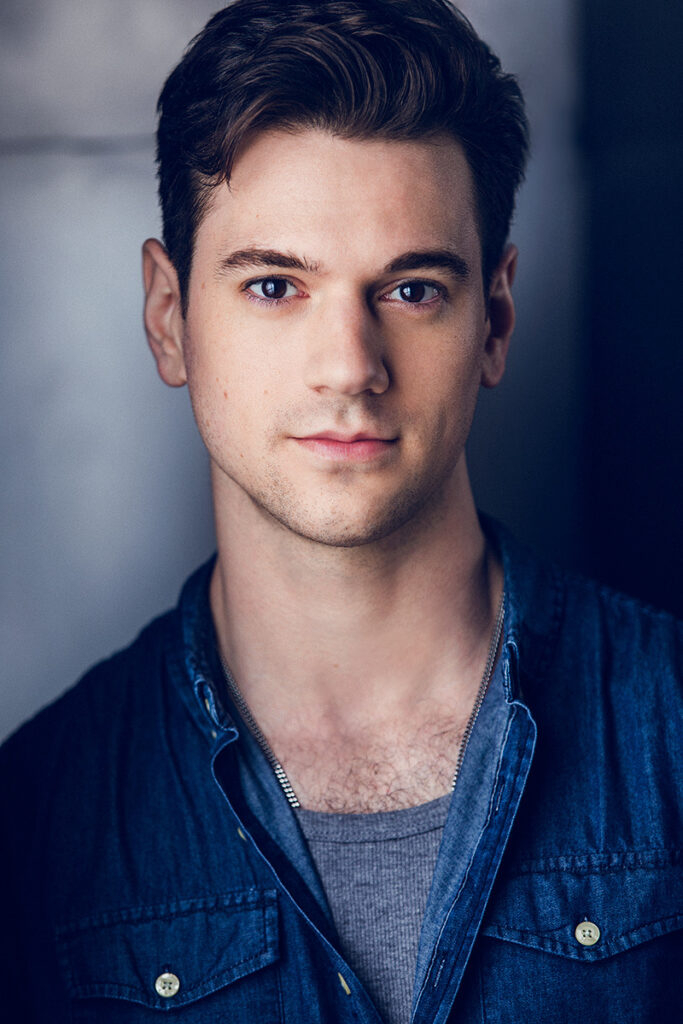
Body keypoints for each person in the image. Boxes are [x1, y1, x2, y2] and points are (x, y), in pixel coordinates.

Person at [1, 0, 681, 1021]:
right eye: (275, 286)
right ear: (167, 314)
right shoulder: (38, 817)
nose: (349, 369)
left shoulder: (669, 732)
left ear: (492, 319)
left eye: (409, 290)